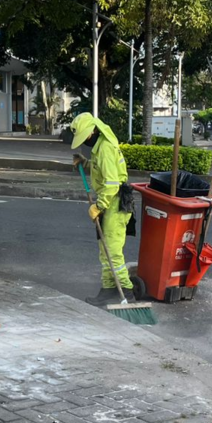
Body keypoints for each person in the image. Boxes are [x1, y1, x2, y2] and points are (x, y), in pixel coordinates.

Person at [70, 113, 132, 306]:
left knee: (112, 251)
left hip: (115, 202)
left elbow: (112, 184)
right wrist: (86, 163)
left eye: (86, 136)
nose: (86, 140)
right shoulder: (100, 147)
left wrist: (98, 206)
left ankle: (127, 291)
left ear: (93, 131)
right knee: (104, 250)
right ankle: (108, 290)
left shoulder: (105, 148)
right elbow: (102, 171)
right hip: (110, 202)